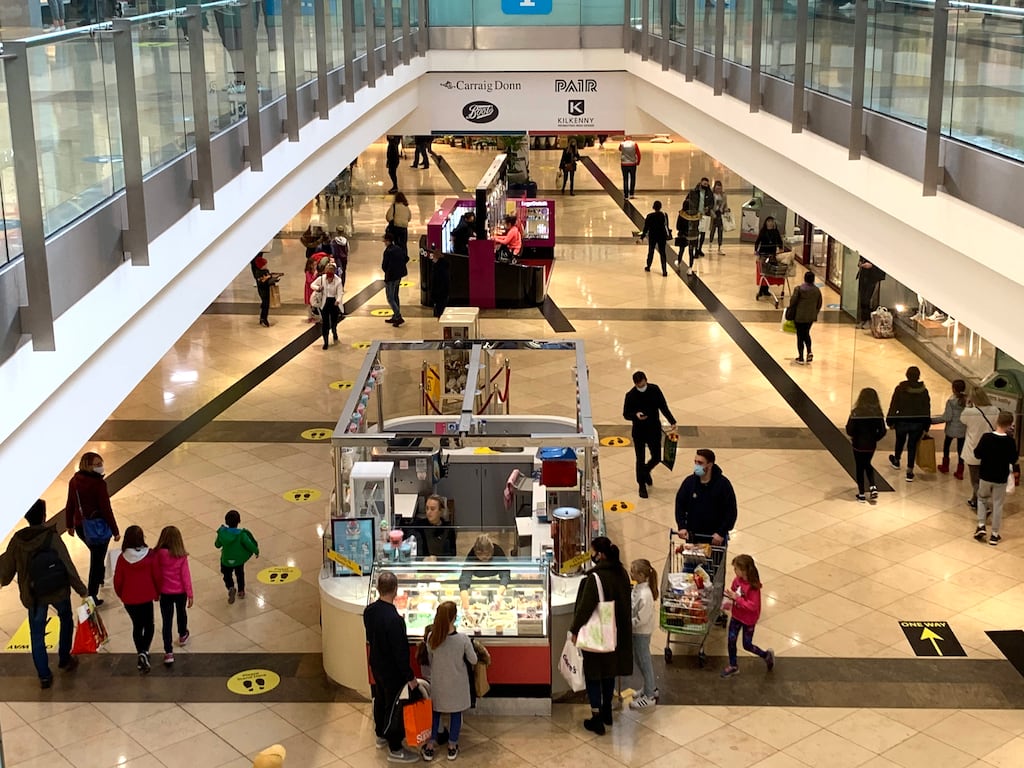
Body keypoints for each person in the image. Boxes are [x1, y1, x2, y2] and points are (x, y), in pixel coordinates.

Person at [0, 500, 87, 689]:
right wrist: (82, 590)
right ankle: (64, 658)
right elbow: (67, 565)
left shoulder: (18, 540)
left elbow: (6, 571)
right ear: (44, 515)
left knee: (37, 633)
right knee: (65, 618)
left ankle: (44, 675)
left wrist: (3, 580)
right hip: (58, 590)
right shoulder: (52, 537)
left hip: (34, 595)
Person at [569, 536, 632, 736]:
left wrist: (574, 629)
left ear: (601, 555)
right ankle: (607, 711)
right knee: (609, 673)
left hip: (597, 636)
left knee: (593, 675)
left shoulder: (594, 578)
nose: (591, 555)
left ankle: (596, 718)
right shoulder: (621, 573)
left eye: (593, 551)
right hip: (616, 633)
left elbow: (585, 608)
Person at [363, 570, 421, 763]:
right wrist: (410, 677)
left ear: (378, 588)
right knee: (394, 707)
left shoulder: (369, 611)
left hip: (376, 665)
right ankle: (395, 747)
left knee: (380, 700)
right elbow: (400, 653)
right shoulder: (395, 620)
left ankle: (380, 734)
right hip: (392, 672)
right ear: (395, 590)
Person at [420, 601, 477, 762]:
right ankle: (452, 746)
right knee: (455, 714)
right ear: (455, 617)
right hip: (457, 685)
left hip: (439, 684)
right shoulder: (463, 639)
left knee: (435, 714)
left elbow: (432, 659)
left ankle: (430, 746)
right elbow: (473, 660)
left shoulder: (431, 637)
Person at [65, 451, 121, 605]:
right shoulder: (99, 484)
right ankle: (92, 594)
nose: (100, 467)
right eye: (97, 465)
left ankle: (100, 577)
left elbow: (70, 504)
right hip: (98, 528)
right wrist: (115, 530)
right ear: (88, 466)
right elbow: (106, 509)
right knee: (96, 559)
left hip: (81, 526)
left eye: (100, 464)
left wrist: (69, 524)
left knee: (96, 554)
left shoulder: (74, 481)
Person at [113, 525, 160, 674]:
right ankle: (144, 652)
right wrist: (157, 592)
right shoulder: (150, 555)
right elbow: (157, 576)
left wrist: (122, 595)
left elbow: (117, 581)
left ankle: (141, 652)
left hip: (129, 600)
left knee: (137, 626)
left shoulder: (122, 558)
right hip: (146, 597)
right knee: (149, 625)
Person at [622, 371, 677, 498]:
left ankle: (645, 472)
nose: (640, 387)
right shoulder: (631, 395)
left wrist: (672, 420)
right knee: (640, 459)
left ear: (646, 380)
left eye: (641, 384)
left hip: (654, 429)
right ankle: (641, 485)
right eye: (637, 385)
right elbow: (625, 414)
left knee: (657, 456)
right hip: (639, 432)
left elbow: (663, 406)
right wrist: (635, 415)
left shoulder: (654, 390)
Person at [720, 554, 774, 678]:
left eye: (736, 569)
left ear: (743, 570)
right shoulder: (736, 580)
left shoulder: (753, 587)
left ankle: (766, 655)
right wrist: (729, 597)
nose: (734, 571)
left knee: (747, 644)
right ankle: (733, 665)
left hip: (748, 619)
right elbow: (734, 593)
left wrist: (737, 599)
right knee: (731, 640)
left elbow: (752, 606)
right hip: (736, 616)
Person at [973, 411, 1018, 546]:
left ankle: (981, 525)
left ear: (997, 421)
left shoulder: (986, 437)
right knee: (998, 504)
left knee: (982, 499)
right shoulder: (1010, 442)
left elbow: (977, 454)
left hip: (985, 475)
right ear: (1010, 425)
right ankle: (994, 534)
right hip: (1001, 477)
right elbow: (1014, 459)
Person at [674, 449, 738, 545]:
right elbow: (680, 505)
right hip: (693, 536)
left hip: (714, 538)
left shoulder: (723, 485)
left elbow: (731, 511)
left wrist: (721, 532)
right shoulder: (689, 483)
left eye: (700, 463)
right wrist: (682, 526)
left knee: (715, 560)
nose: (696, 466)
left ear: (710, 464)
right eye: (695, 462)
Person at [154, 525, 193, 667]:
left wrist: (156, 591)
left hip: (165, 593)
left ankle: (168, 652)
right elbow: (185, 576)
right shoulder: (181, 556)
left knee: (167, 621)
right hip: (180, 592)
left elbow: (156, 574)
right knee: (181, 613)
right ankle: (183, 634)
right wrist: (190, 593)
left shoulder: (157, 555)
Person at [886, 366, 932, 482]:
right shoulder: (923, 391)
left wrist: (890, 420)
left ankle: (896, 460)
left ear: (907, 375)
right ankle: (910, 470)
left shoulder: (900, 389)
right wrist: (926, 426)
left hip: (902, 421)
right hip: (917, 423)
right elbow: (926, 409)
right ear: (918, 376)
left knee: (900, 441)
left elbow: (894, 405)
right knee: (912, 446)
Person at [960, 387, 1001, 510]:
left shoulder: (969, 412)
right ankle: (974, 499)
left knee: (975, 480)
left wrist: (968, 406)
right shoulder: (995, 410)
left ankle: (982, 504)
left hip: (974, 449)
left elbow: (962, 420)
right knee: (984, 477)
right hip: (990, 450)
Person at [846, 388, 887, 502]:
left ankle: (862, 493)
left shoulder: (856, 412)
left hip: (858, 444)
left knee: (860, 467)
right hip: (871, 445)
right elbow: (883, 431)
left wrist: (855, 436)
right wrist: (874, 438)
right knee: (867, 463)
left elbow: (849, 429)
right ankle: (873, 486)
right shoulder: (878, 413)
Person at [628, 559, 659, 710]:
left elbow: (641, 618)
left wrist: (628, 623)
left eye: (633, 571)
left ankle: (649, 695)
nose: (630, 573)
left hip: (641, 633)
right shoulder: (639, 588)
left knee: (644, 662)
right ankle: (649, 686)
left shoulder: (645, 595)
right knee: (640, 660)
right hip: (637, 632)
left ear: (641, 574)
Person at [215, 509, 259, 604]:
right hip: (238, 560)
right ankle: (241, 591)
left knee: (227, 575)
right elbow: (249, 544)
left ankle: (230, 587)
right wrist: (256, 551)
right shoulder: (241, 535)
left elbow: (217, 545)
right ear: (239, 521)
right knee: (240, 574)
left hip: (226, 560)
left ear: (226, 521)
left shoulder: (222, 533)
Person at [458, 534, 510, 611]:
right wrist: (466, 609)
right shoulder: (471, 555)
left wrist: (500, 592)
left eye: (487, 555)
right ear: (476, 553)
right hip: (477, 578)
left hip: (495, 578)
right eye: (480, 556)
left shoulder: (498, 551)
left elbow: (505, 573)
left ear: (492, 551)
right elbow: (465, 577)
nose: (484, 558)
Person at [786, 271, 823, 365]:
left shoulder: (799, 289)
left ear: (804, 278)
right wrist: (815, 312)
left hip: (799, 316)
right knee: (806, 333)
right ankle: (809, 351)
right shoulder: (817, 290)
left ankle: (801, 357)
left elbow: (793, 302)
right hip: (810, 317)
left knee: (800, 336)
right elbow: (819, 304)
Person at [408, 495, 456, 559]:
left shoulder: (448, 530)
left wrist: (437, 559)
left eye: (432, 509)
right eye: (427, 508)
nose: (428, 512)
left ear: (440, 511)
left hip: (440, 566)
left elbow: (451, 554)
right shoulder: (418, 525)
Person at [310, 262, 344, 349]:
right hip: (324, 303)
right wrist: (318, 288)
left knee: (334, 321)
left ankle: (334, 330)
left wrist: (338, 300)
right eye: (328, 272)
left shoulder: (338, 281)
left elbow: (340, 293)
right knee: (325, 323)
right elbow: (312, 285)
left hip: (334, 303)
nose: (329, 276)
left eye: (331, 273)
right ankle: (326, 341)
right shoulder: (321, 279)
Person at [939, 379, 968, 477]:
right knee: (961, 449)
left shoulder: (951, 401)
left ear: (954, 389)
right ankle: (960, 471)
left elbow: (947, 417)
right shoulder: (968, 401)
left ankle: (945, 466)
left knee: (946, 446)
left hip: (951, 428)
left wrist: (932, 420)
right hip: (963, 429)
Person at [381, 231, 409, 328]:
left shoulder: (388, 251)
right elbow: (406, 258)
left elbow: (384, 266)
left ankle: (398, 316)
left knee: (390, 297)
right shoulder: (398, 248)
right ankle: (395, 315)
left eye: (384, 240)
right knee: (395, 295)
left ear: (388, 241)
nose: (384, 242)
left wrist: (389, 270)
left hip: (391, 277)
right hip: (398, 276)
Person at [753, 216, 785, 298]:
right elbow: (757, 242)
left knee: (769, 273)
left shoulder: (775, 232)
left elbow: (779, 241)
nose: (770, 223)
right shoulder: (763, 231)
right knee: (763, 273)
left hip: (772, 255)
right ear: (766, 222)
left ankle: (766, 289)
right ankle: (761, 290)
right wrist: (756, 251)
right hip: (763, 254)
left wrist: (781, 248)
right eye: (769, 221)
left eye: (772, 221)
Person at [639, 200, 671, 277]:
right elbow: (666, 226)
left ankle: (648, 266)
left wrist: (642, 237)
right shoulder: (664, 215)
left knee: (651, 251)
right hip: (662, 236)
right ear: (660, 207)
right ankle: (664, 270)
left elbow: (646, 228)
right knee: (663, 253)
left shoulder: (650, 216)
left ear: (653, 207)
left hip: (653, 236)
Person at [855, 256, 885, 329]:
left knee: (868, 299)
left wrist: (872, 266)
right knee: (862, 298)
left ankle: (868, 320)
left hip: (873, 277)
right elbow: (861, 259)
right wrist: (860, 263)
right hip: (864, 275)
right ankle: (863, 319)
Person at [686, 177, 713, 256]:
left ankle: (699, 248)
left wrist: (708, 207)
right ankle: (695, 249)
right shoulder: (694, 192)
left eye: (707, 184)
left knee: (703, 233)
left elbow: (712, 203)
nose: (706, 185)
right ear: (701, 183)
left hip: (705, 215)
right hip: (696, 215)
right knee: (696, 234)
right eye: (704, 184)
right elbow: (687, 201)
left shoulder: (709, 193)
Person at [676, 197, 701, 276]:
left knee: (681, 250)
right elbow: (698, 225)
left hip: (683, 235)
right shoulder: (696, 215)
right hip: (693, 236)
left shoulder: (682, 214)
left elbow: (678, 226)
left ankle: (679, 263)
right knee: (691, 252)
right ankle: (690, 268)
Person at [251, 256, 274, 328]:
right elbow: (261, 282)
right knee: (265, 304)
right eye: (265, 265)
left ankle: (262, 317)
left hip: (267, 289)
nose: (266, 266)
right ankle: (264, 318)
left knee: (266, 304)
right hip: (262, 291)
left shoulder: (266, 271)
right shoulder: (258, 273)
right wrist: (267, 278)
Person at [428, 249, 450, 319]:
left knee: (440, 312)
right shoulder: (442, 266)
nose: (432, 259)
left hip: (440, 295)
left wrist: (434, 295)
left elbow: (437, 283)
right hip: (443, 294)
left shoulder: (439, 269)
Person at [708, 180, 728, 255]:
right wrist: (712, 213)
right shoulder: (712, 195)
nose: (718, 190)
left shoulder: (723, 195)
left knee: (720, 230)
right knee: (713, 229)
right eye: (717, 188)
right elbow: (710, 205)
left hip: (721, 214)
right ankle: (710, 242)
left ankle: (720, 246)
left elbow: (725, 204)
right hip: (713, 213)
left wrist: (725, 209)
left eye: (720, 188)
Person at [303, 255, 318, 322]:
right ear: (310, 265)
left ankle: (313, 314)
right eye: (314, 265)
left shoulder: (316, 271)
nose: (315, 266)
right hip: (309, 290)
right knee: (309, 303)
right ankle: (310, 316)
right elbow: (309, 281)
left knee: (314, 302)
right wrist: (314, 275)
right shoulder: (308, 272)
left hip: (313, 289)